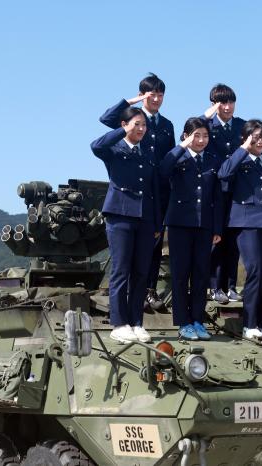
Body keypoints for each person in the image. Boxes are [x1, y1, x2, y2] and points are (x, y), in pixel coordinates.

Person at [99, 74, 176, 312]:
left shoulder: (166, 125)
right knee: (126, 254)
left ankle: (149, 290)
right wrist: (131, 102)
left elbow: (170, 158)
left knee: (153, 244)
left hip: (157, 191)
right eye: (151, 94)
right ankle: (130, 296)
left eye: (160, 94)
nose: (156, 98)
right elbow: (106, 119)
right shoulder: (131, 119)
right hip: (129, 193)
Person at [90, 107, 162, 343]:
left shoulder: (148, 154)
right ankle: (119, 323)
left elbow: (154, 192)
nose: (141, 129)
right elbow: (96, 145)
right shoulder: (114, 149)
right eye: (136, 124)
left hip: (145, 218)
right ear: (125, 124)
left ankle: (136, 322)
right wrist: (122, 130)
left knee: (141, 272)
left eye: (143, 125)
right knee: (121, 270)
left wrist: (157, 222)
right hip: (120, 215)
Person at [218, 120, 262, 342]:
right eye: (256, 137)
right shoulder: (237, 161)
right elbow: (223, 174)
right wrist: (244, 148)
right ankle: (249, 325)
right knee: (256, 271)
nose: (261, 141)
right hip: (246, 224)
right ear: (246, 138)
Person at [160, 118, 223, 340]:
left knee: (201, 275)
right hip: (179, 224)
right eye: (196, 135)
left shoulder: (214, 161)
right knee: (180, 274)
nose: (201, 140)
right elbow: (163, 170)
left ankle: (198, 320)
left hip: (204, 225)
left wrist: (217, 227)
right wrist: (183, 147)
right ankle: (183, 322)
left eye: (205, 136)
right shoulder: (177, 157)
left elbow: (217, 196)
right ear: (186, 136)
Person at [202, 84, 245, 304]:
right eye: (222, 102)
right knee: (216, 238)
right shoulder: (206, 126)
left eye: (231, 102)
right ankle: (214, 286)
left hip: (237, 190)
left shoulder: (241, 126)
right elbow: (190, 132)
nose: (228, 107)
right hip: (215, 189)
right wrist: (205, 117)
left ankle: (230, 286)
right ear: (214, 105)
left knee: (233, 241)